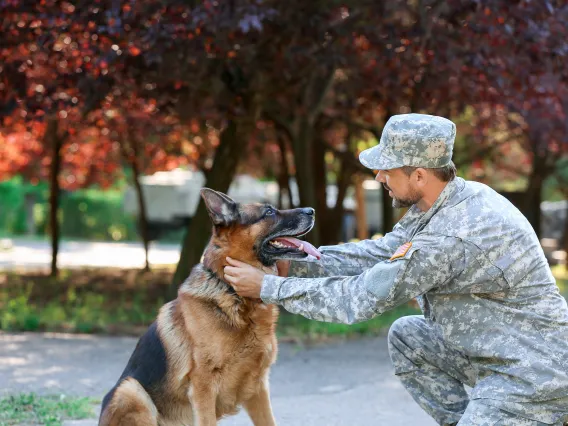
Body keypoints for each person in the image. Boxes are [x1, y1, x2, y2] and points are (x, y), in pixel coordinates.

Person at [224, 113, 568, 426]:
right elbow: (382, 252)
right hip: (492, 354)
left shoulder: (451, 237)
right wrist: (294, 263)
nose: (379, 175)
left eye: (387, 168)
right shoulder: (445, 200)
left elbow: (360, 299)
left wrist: (268, 287)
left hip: (532, 375)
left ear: (419, 174)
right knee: (409, 336)